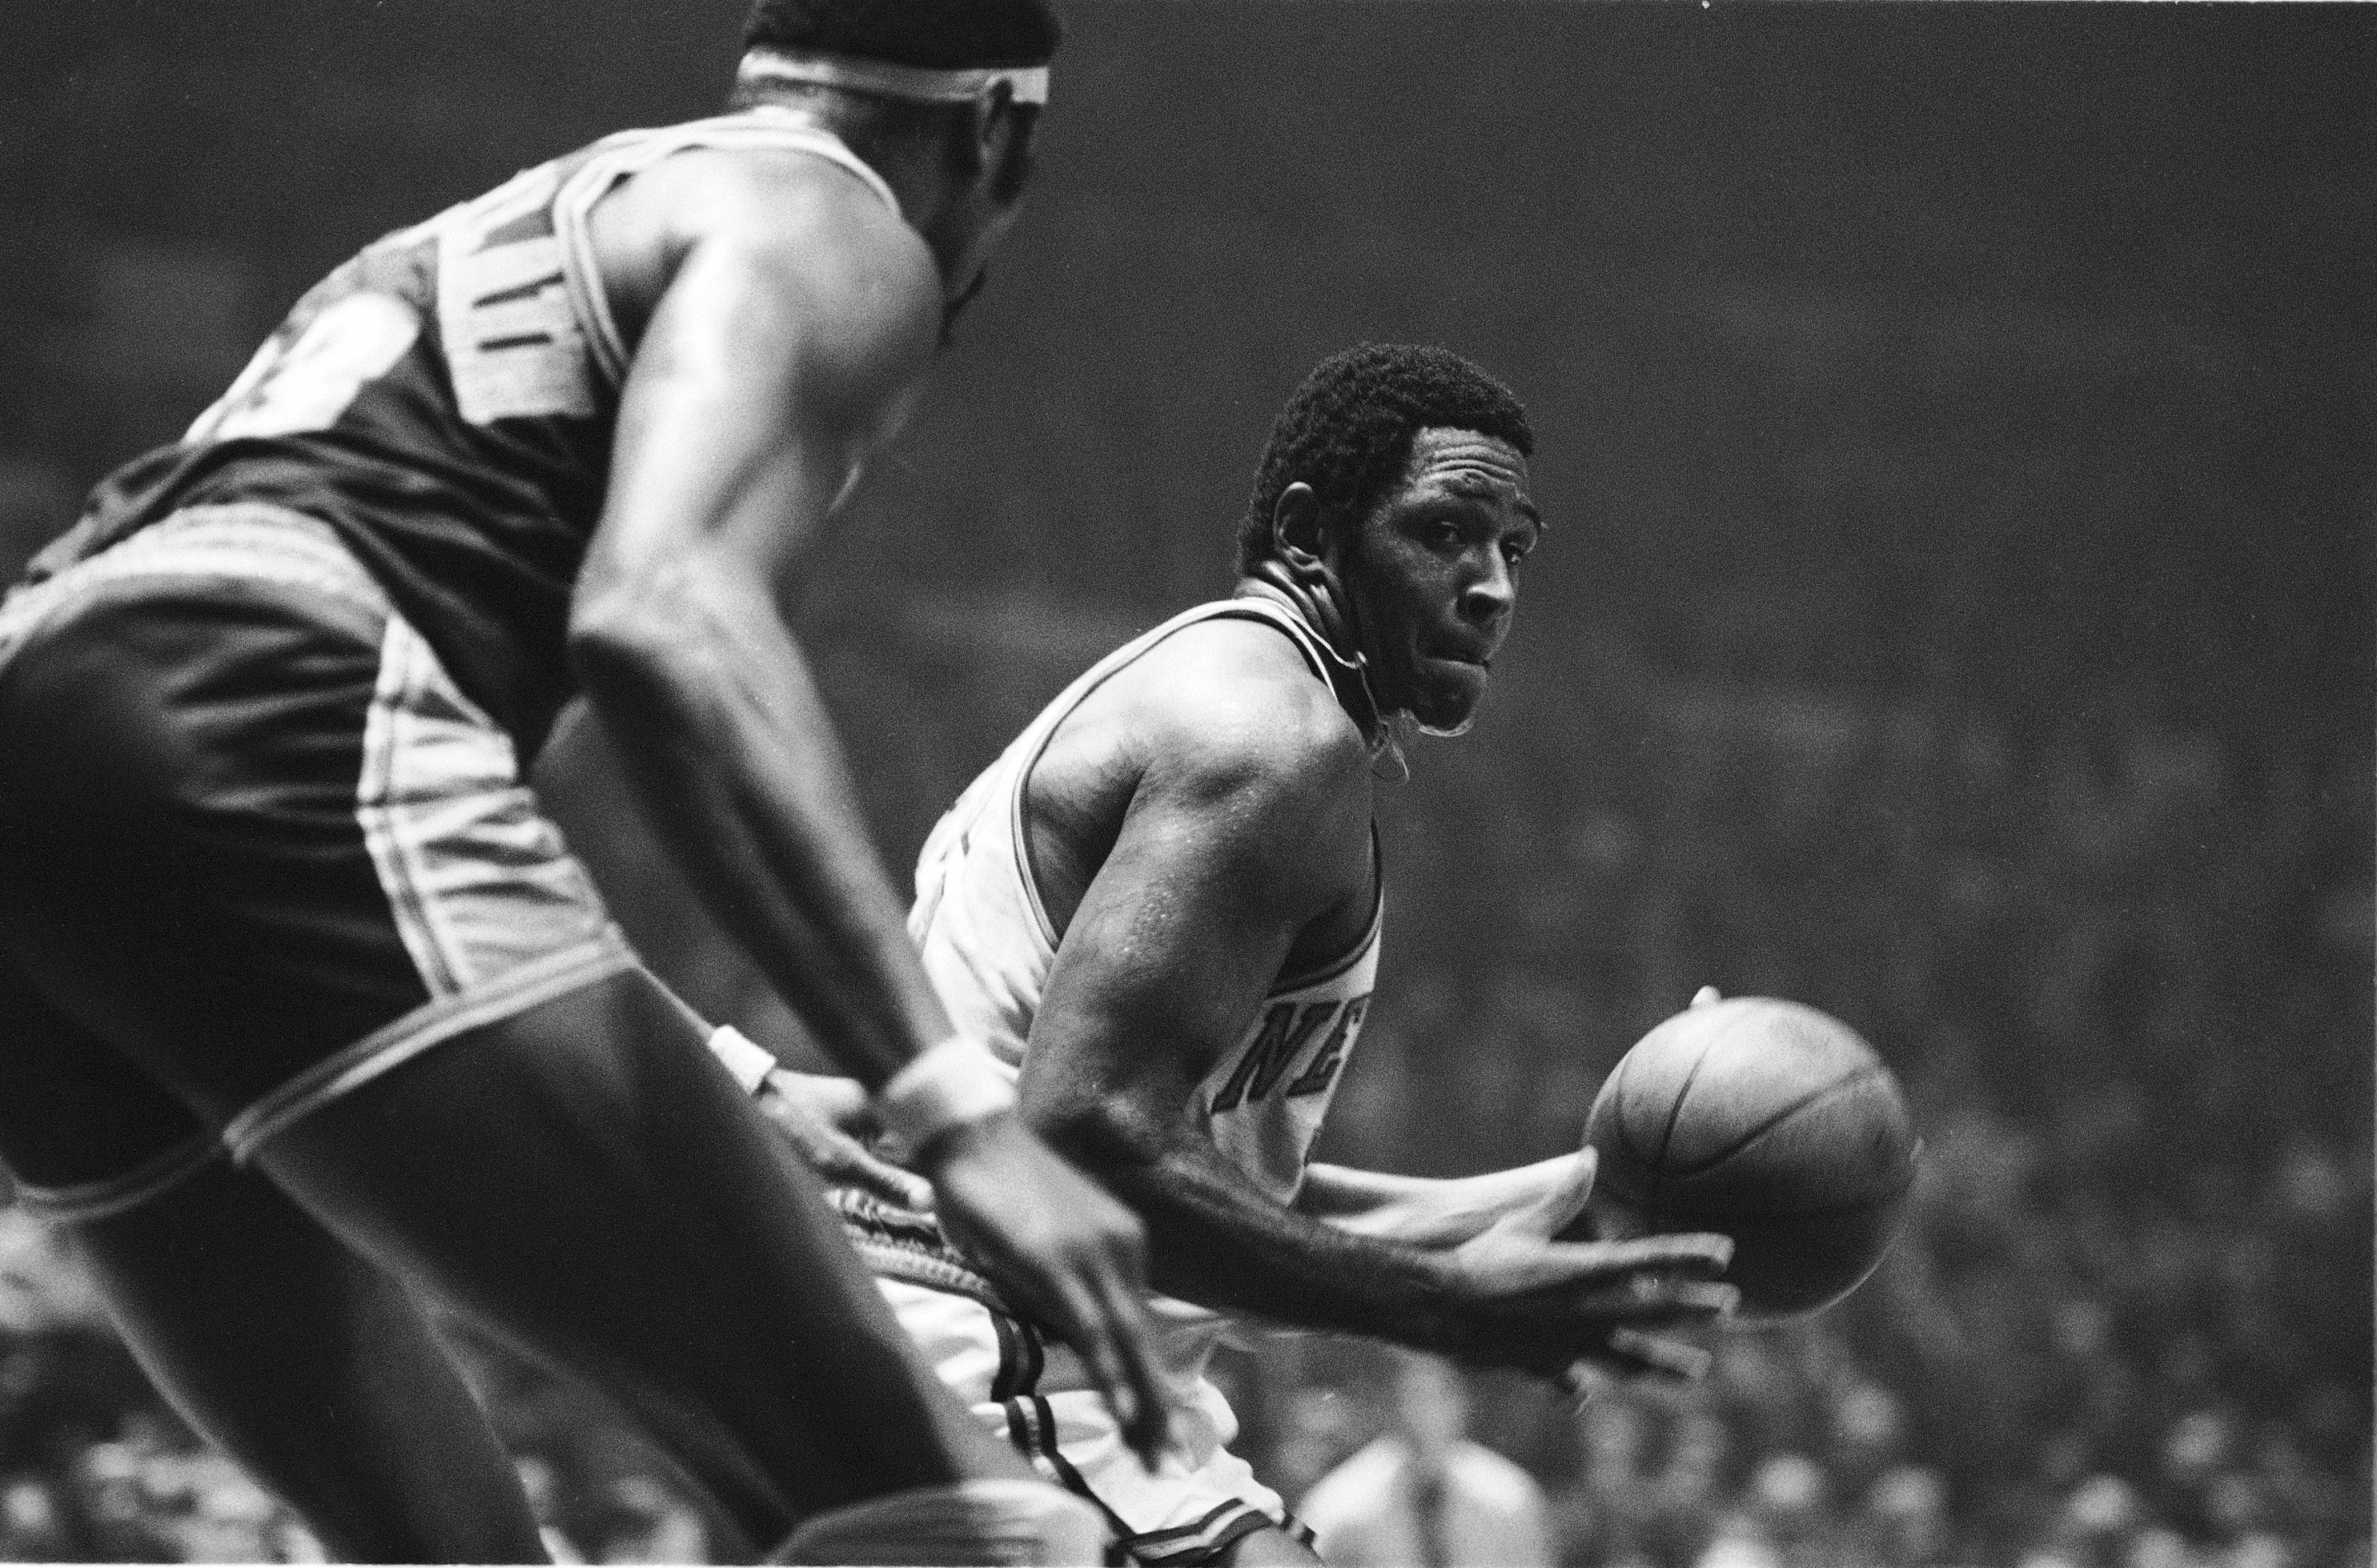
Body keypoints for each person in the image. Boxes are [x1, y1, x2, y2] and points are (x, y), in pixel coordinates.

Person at [0, 1, 1171, 1561]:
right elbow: (662, 619)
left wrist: (730, 1087)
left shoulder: (558, 205)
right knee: (971, 1527)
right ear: (994, 133)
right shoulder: (836, 216)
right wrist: (959, 1113)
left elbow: (398, 870)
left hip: (58, 741)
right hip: (253, 703)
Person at [738, 344, 1740, 1565]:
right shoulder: (1271, 740)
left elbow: (1192, 1171)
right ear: (1314, 533)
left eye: (1512, 548)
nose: (1490, 588)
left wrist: (1550, 1196)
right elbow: (1086, 1137)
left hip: (955, 1327)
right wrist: (1448, 1312)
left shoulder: (1231, 696)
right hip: (999, 1349)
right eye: (1444, 534)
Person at [1297, 1351, 1555, 1568]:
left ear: (1461, 1402)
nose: (1425, 1415)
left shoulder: (1511, 1502)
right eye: (1413, 1396)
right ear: (1389, 1402)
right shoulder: (1339, 1510)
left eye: (1439, 1394)